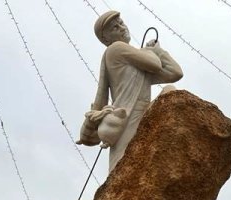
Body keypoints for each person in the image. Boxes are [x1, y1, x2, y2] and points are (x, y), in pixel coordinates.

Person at [79, 10, 184, 170]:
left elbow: (175, 72)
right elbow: (155, 64)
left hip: (144, 114)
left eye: (121, 22)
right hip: (127, 117)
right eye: (115, 27)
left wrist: (159, 52)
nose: (121, 27)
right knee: (123, 166)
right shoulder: (116, 49)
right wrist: (153, 52)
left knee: (169, 91)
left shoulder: (137, 63)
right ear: (106, 39)